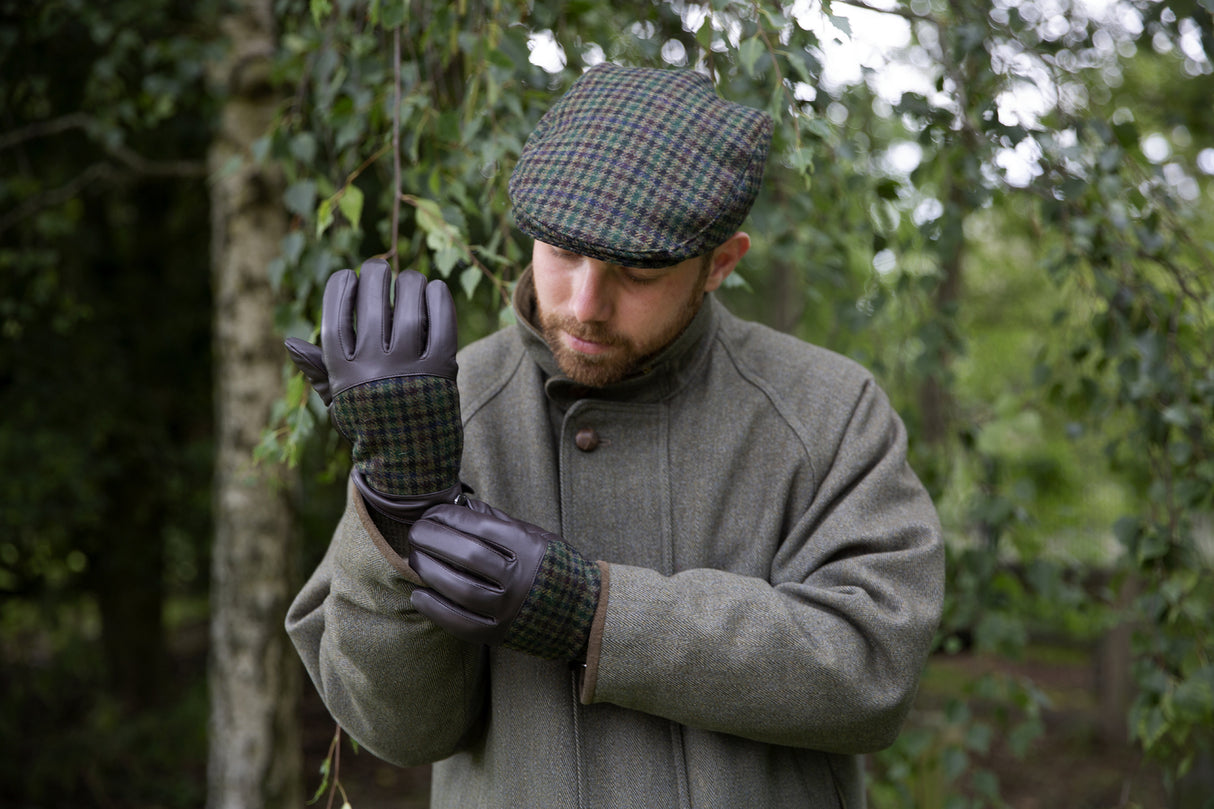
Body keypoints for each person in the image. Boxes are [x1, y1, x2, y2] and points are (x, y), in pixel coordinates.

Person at [285, 64, 945, 809]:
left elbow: (870, 671)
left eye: (636, 272)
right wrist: (395, 511)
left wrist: (593, 611)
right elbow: (400, 732)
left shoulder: (827, 408)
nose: (586, 304)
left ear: (720, 263)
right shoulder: (444, 407)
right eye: (563, 252)